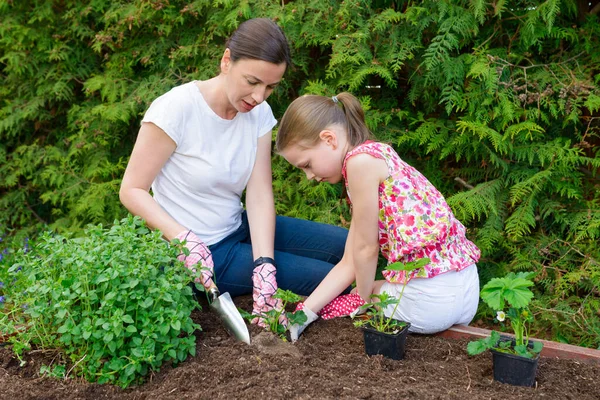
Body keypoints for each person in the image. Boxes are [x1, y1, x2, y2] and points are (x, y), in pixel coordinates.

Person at [119, 18, 347, 328]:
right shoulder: (175, 110)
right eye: (252, 81)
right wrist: (184, 240)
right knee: (330, 279)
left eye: (270, 86)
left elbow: (258, 194)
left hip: (238, 226)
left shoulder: (258, 115)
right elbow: (131, 189)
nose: (259, 96)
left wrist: (264, 265)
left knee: (346, 247)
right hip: (204, 252)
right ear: (226, 61)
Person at [275, 92, 481, 340]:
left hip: (432, 301)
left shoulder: (359, 164)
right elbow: (349, 262)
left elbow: (365, 250)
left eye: (306, 164)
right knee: (361, 292)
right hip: (466, 292)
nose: (310, 177)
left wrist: (362, 306)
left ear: (329, 139)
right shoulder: (376, 155)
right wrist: (303, 313)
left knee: (355, 299)